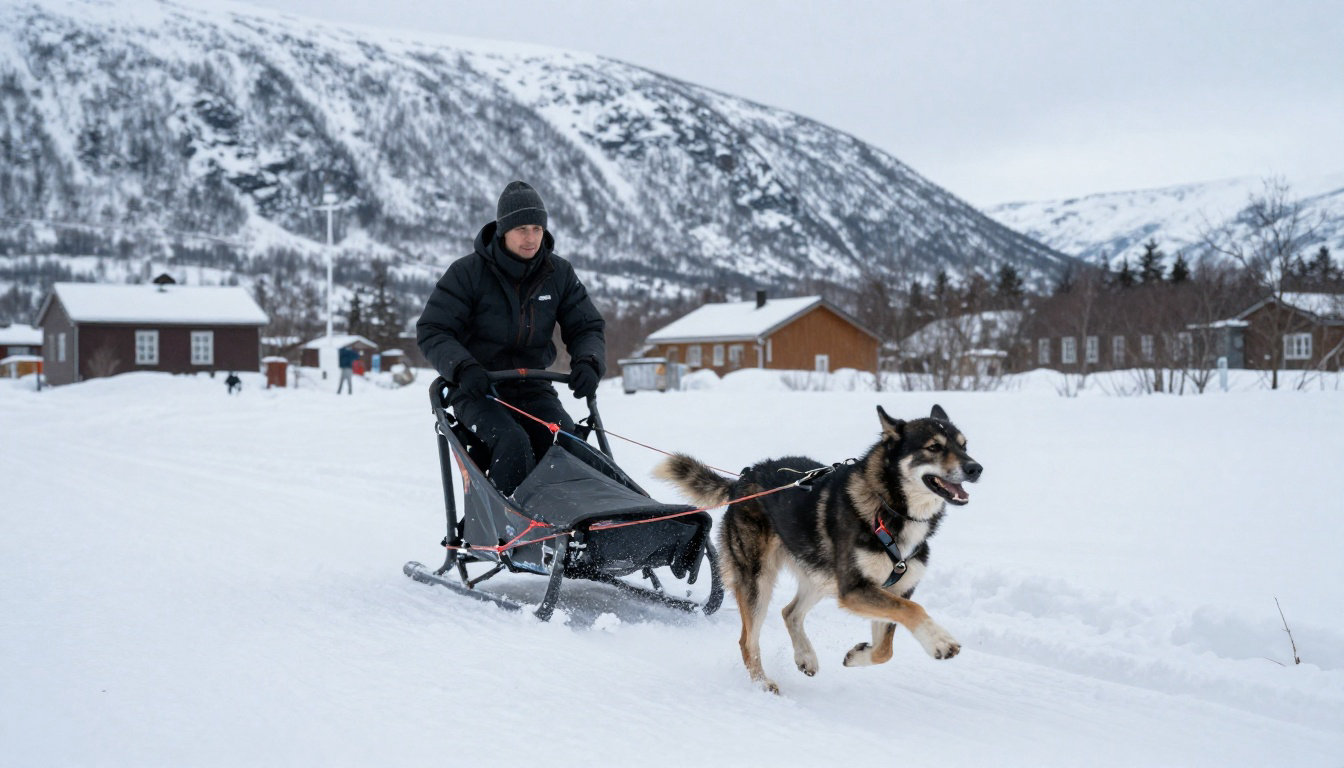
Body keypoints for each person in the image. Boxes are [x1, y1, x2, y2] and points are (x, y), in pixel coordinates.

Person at [417, 180, 605, 496]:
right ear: (503, 230)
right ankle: (508, 521)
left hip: (533, 387)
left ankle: (575, 518)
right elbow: (433, 329)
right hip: (477, 389)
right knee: (512, 441)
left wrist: (589, 361)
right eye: (521, 229)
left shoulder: (558, 273)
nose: (530, 238)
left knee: (563, 440)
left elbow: (586, 326)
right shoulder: (467, 273)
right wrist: (462, 367)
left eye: (537, 228)